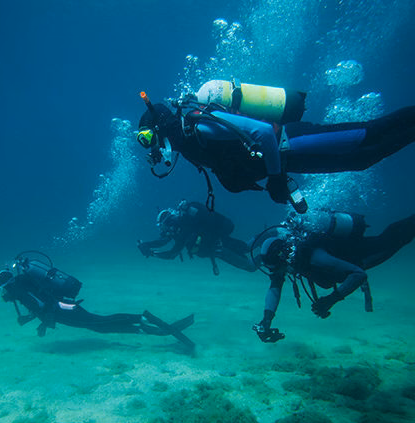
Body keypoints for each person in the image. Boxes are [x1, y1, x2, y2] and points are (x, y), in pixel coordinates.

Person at [136, 97, 415, 214]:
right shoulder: (188, 145)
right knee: (359, 160)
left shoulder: (198, 127)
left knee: (369, 133)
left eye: (147, 138)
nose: (151, 147)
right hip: (290, 157)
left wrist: (276, 178)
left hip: (292, 142)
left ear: (159, 126)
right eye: (144, 142)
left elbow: (264, 134)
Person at [251, 210, 415, 342]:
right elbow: (275, 287)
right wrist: (266, 320)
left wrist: (331, 299)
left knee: (390, 240)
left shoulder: (312, 256)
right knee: (393, 239)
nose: (280, 273)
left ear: (282, 256)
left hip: (361, 256)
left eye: (279, 268)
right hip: (344, 266)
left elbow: (358, 274)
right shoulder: (289, 259)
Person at [0, 251, 195, 348]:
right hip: (63, 308)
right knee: (100, 325)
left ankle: (144, 319)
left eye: (2, 291)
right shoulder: (21, 286)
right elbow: (40, 304)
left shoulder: (20, 290)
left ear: (8, 286)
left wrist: (39, 323)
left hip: (63, 310)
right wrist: (40, 322)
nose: (4, 296)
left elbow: (42, 305)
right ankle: (147, 326)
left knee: (101, 323)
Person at [137, 200, 256, 275]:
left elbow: (171, 254)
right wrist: (148, 246)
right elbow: (163, 242)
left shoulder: (184, 228)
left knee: (251, 266)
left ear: (170, 223)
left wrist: (152, 253)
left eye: (165, 228)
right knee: (247, 248)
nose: (166, 232)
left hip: (220, 248)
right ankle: (268, 237)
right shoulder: (182, 229)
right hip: (219, 245)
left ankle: (269, 240)